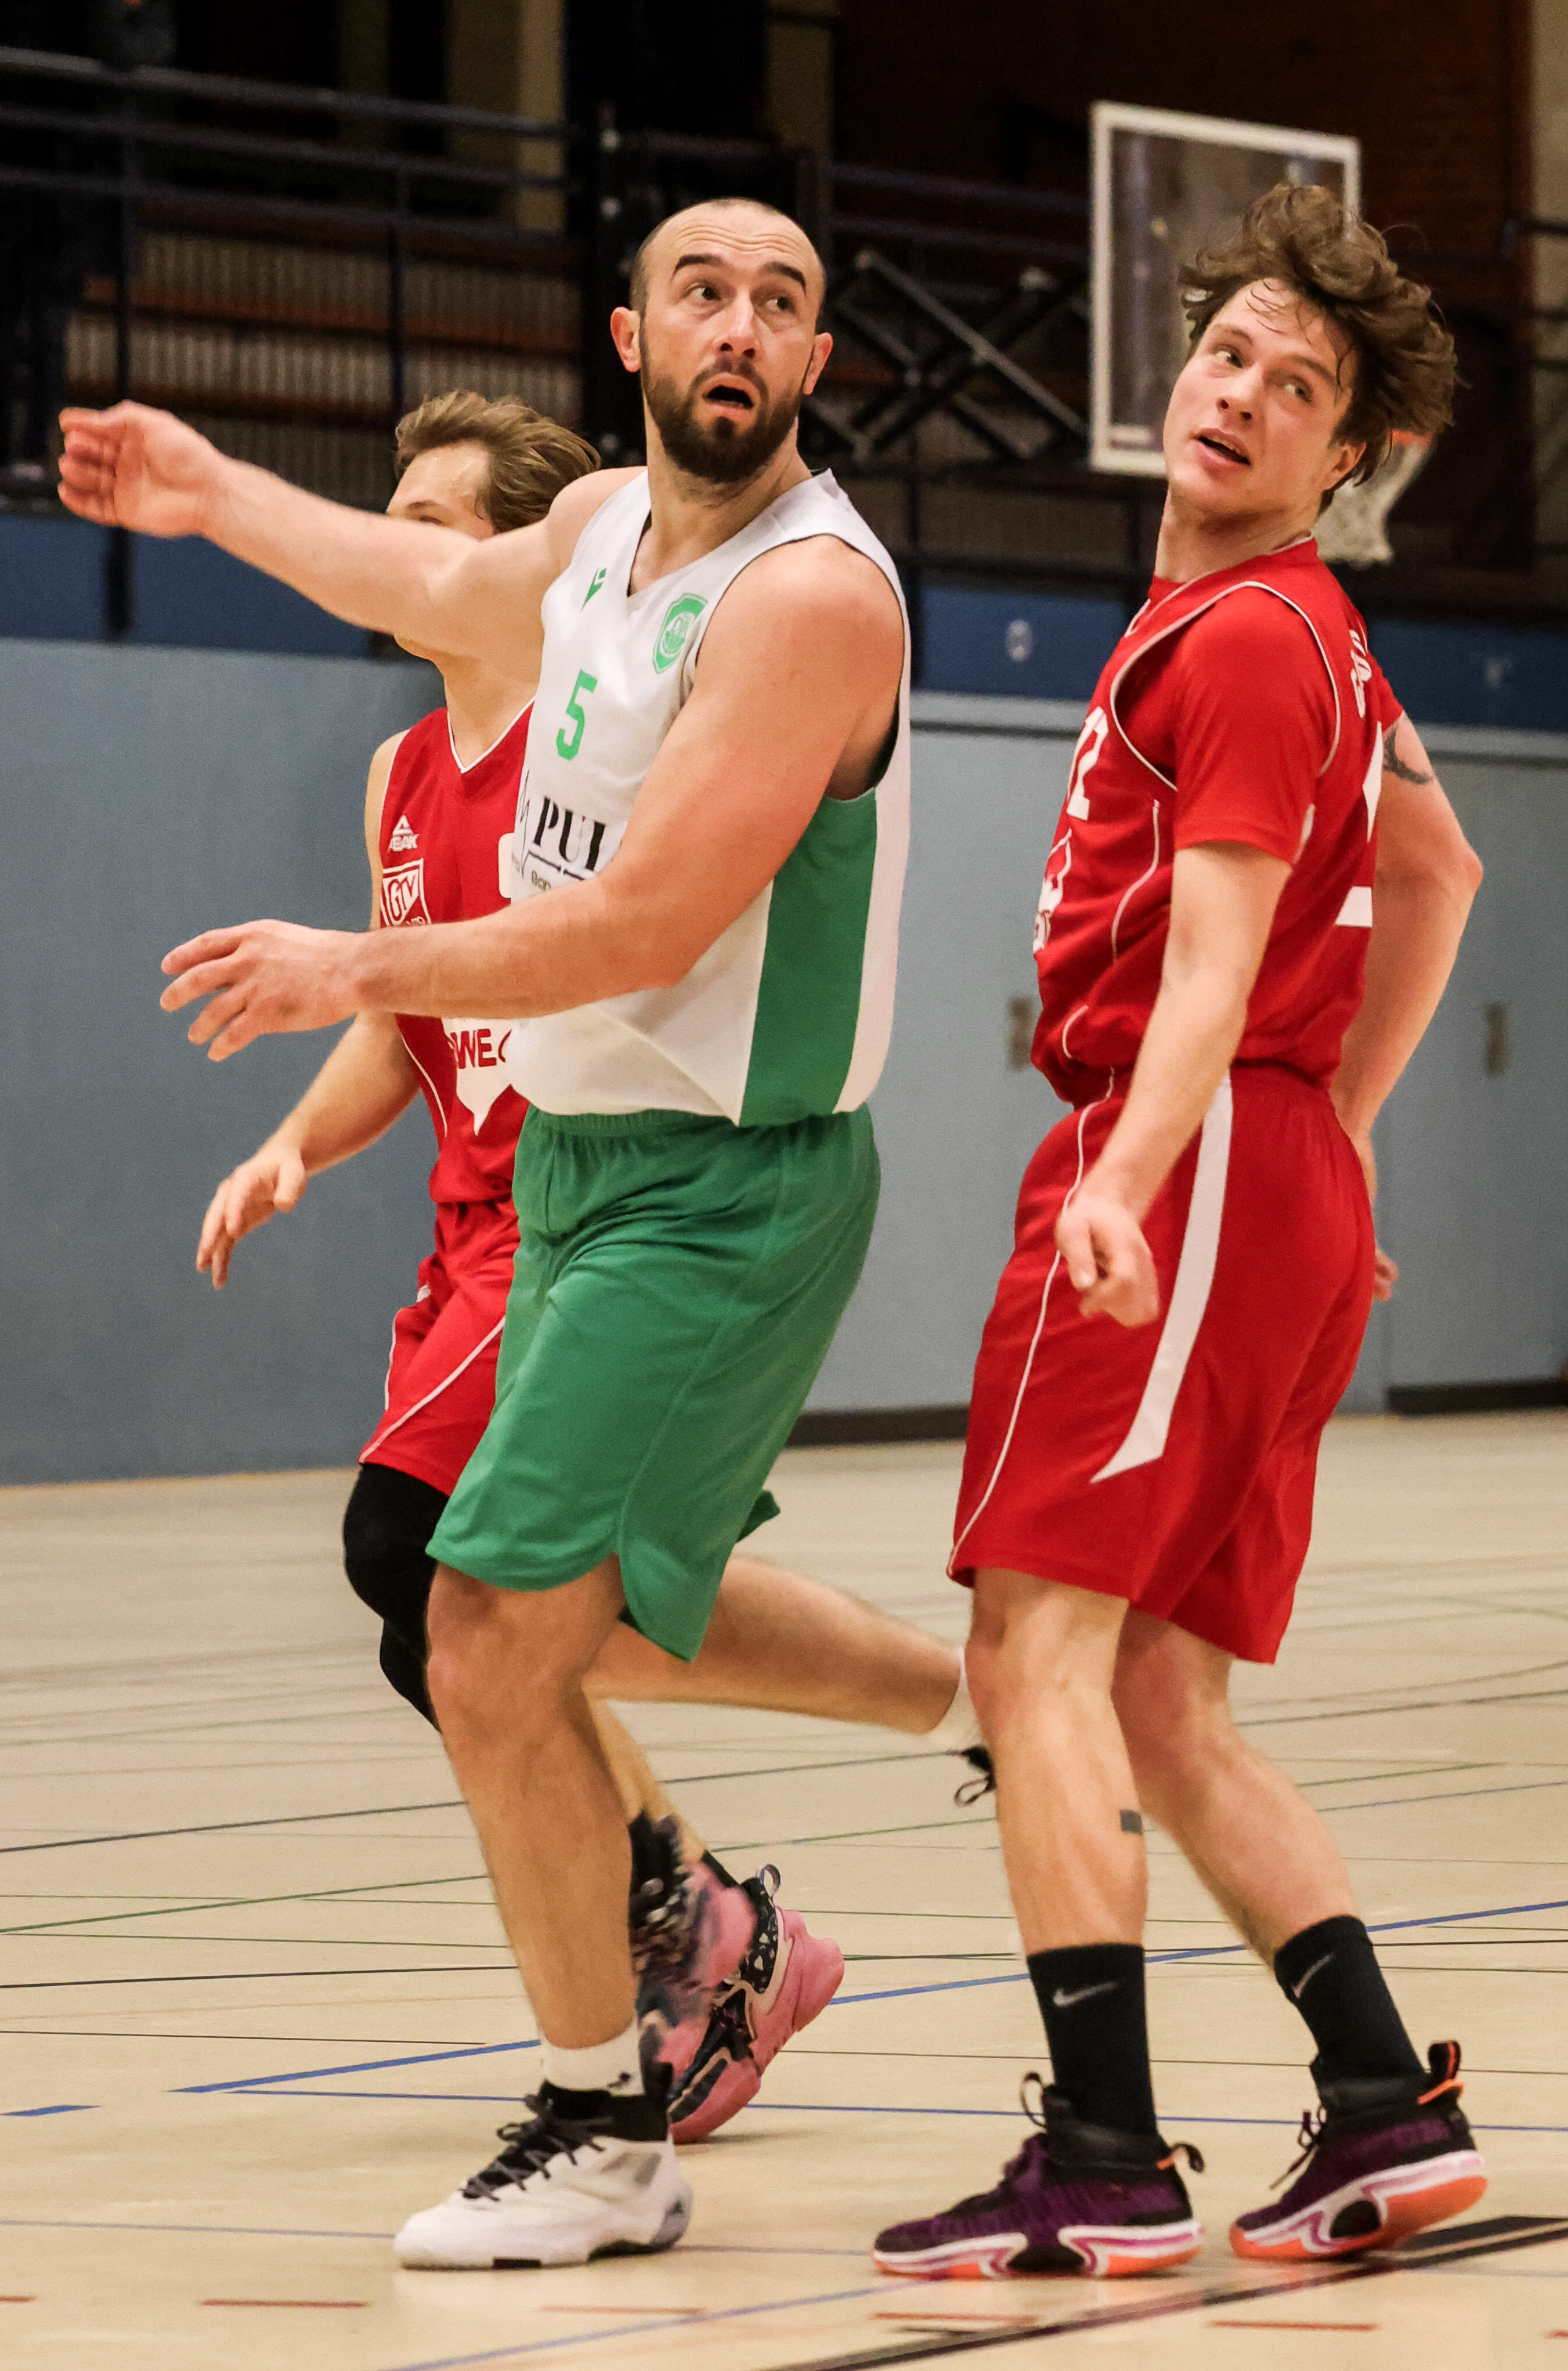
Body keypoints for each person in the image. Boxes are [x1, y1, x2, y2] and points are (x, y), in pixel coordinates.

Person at [62, 196, 915, 2269]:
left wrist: (350, 969)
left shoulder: (809, 597)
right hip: (577, 1171)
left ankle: (613, 2105)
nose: (739, 325)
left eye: (781, 303)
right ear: (630, 335)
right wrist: (208, 490)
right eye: (703, 292)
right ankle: (986, 1714)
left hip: (712, 1178)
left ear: (815, 364)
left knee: (473, 1624)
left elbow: (644, 923)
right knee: (528, 1630)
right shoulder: (604, 534)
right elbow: (423, 572)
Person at [199, 383, 981, 2149]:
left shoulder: (603, 719)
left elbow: (638, 924)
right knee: (456, 1630)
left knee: (428, 1569)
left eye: (435, 524)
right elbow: (397, 1011)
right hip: (480, 1225)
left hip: (605, 1199)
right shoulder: (402, 772)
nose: (400, 550)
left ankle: (707, 1915)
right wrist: (295, 1146)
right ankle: (727, 1905)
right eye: (390, 515)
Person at [870, 185, 1486, 2280]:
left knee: (1028, 1647)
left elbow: (1214, 969)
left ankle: (1106, 2155)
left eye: (1295, 388)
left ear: (1346, 458)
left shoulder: (1239, 638)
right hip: (1264, 1168)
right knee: (1159, 1695)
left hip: (1191, 1153)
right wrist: (1337, 1142)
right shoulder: (1307, 634)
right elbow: (1440, 869)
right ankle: (1383, 2105)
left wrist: (1136, 1180)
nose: (1238, 394)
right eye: (1227, 352)